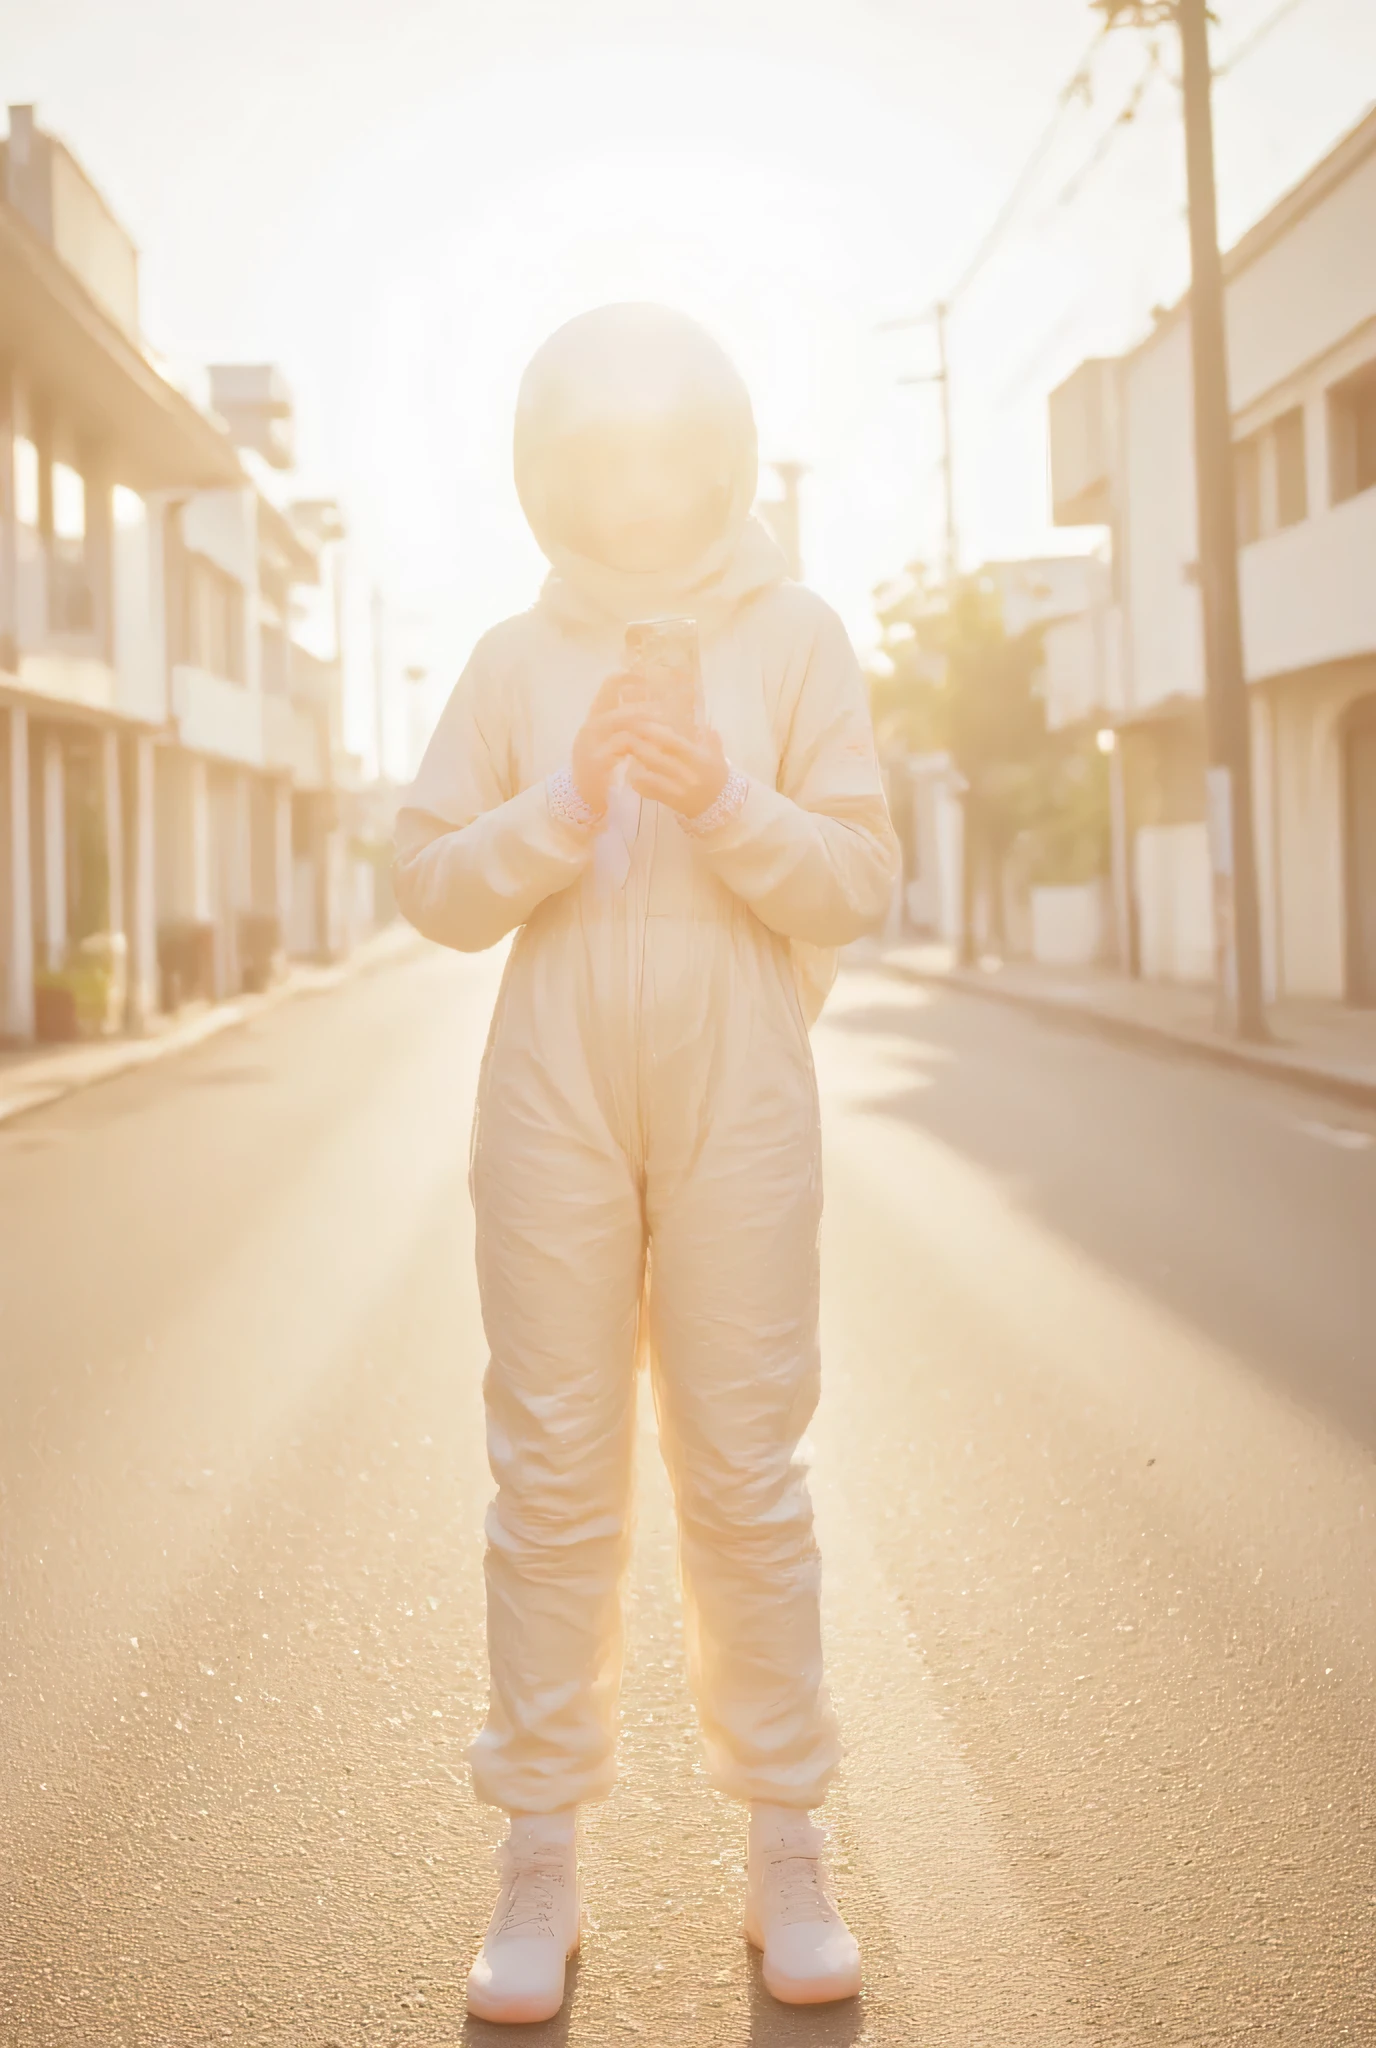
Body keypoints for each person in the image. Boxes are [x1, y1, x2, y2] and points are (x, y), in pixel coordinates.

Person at [393, 302, 900, 2024]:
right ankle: (538, 1858)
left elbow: (859, 879)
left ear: (719, 455)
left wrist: (724, 796)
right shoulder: (510, 659)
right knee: (551, 1471)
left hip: (741, 1076)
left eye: (667, 449)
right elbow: (430, 887)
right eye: (599, 455)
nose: (635, 486)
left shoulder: (801, 636)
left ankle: (786, 1849)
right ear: (551, 471)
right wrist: (564, 798)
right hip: (551, 1084)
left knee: (745, 1466)